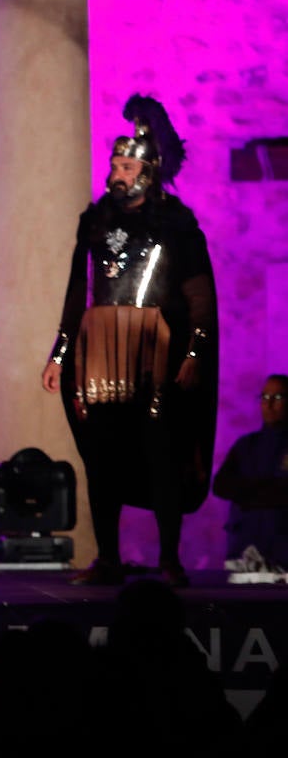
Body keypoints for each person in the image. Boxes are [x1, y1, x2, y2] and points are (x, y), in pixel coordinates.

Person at [42, 94, 218, 588]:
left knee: (161, 453)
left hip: (155, 352)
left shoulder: (178, 225)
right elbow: (78, 292)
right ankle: (109, 559)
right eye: (115, 163)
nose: (117, 172)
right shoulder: (95, 222)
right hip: (100, 351)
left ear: (149, 170)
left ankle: (168, 559)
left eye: (127, 164)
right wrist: (60, 354)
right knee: (102, 458)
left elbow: (199, 297)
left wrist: (194, 354)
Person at [212, 373, 288, 573]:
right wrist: (266, 489)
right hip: (246, 552)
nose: (268, 404)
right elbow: (220, 486)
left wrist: (248, 494)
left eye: (277, 398)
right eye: (264, 397)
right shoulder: (246, 445)